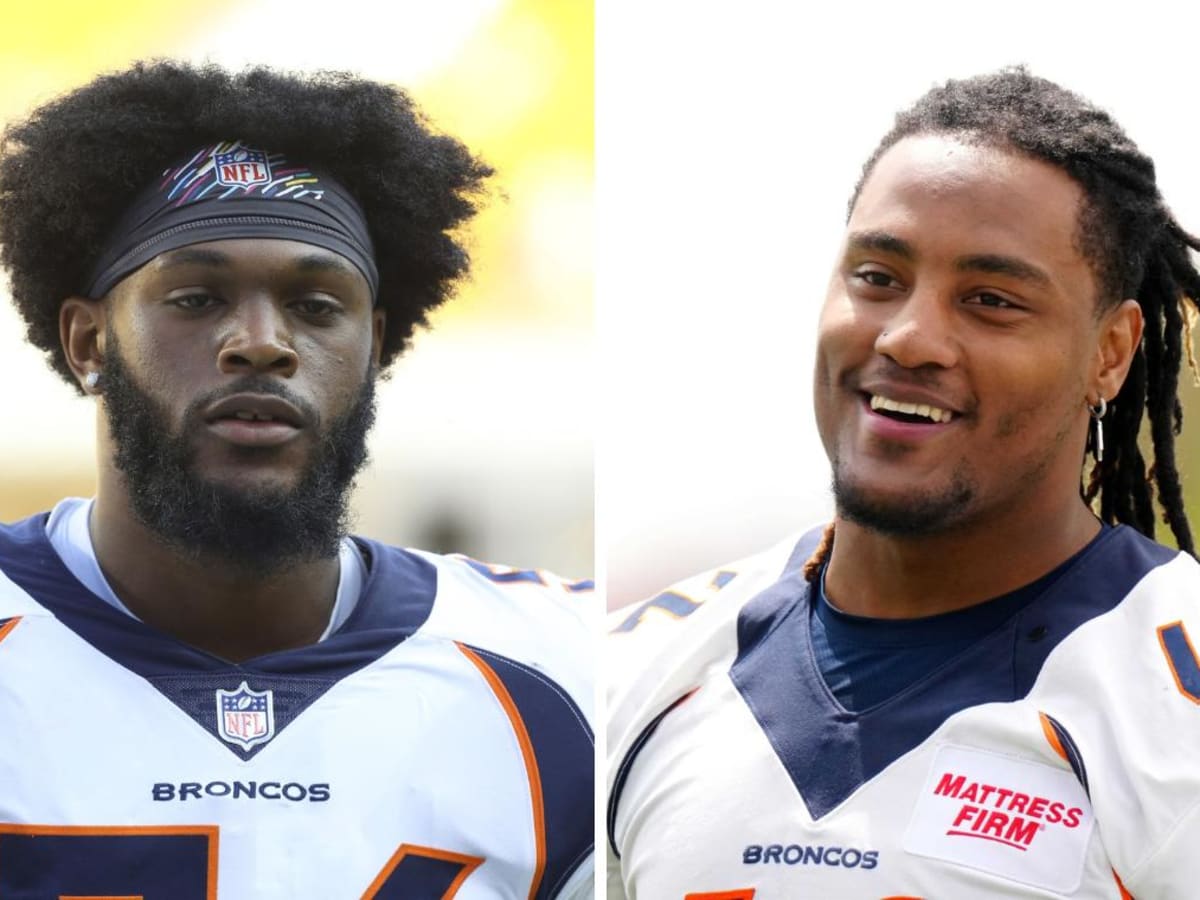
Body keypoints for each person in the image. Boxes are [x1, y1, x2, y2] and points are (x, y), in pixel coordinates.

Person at [0, 61, 593, 898]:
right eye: (197, 297)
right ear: (89, 340)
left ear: (375, 346)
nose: (261, 342)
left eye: (317, 306)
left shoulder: (565, 668)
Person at [607, 67, 1200, 899]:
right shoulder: (639, 668)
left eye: (990, 300)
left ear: (1110, 351)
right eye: (878, 278)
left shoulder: (1171, 690)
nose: (911, 337)